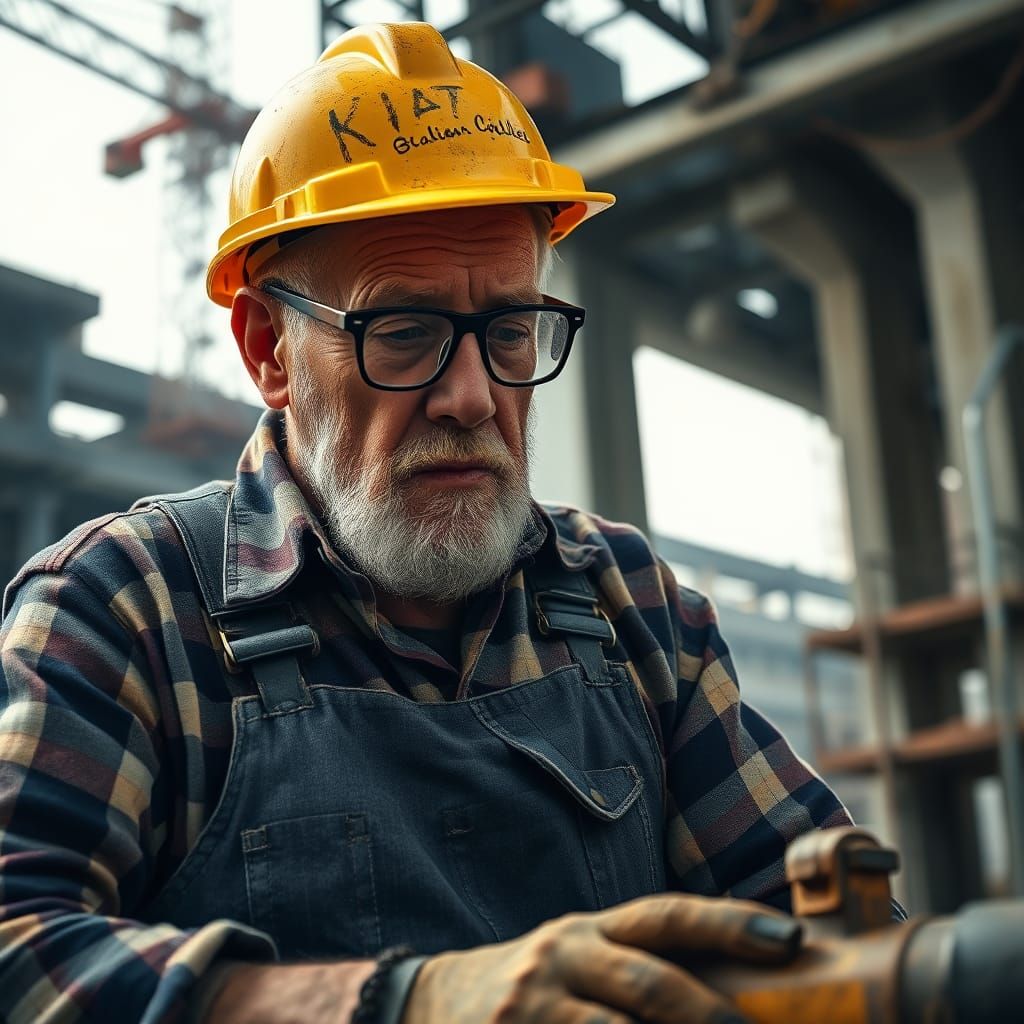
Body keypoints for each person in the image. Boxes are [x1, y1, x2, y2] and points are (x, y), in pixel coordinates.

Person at [0, 22, 852, 1024]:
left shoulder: (632, 609)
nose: (471, 395)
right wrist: (402, 1003)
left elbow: (818, 930)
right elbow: (18, 951)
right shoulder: (125, 612)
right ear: (268, 347)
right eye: (402, 333)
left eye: (508, 330)